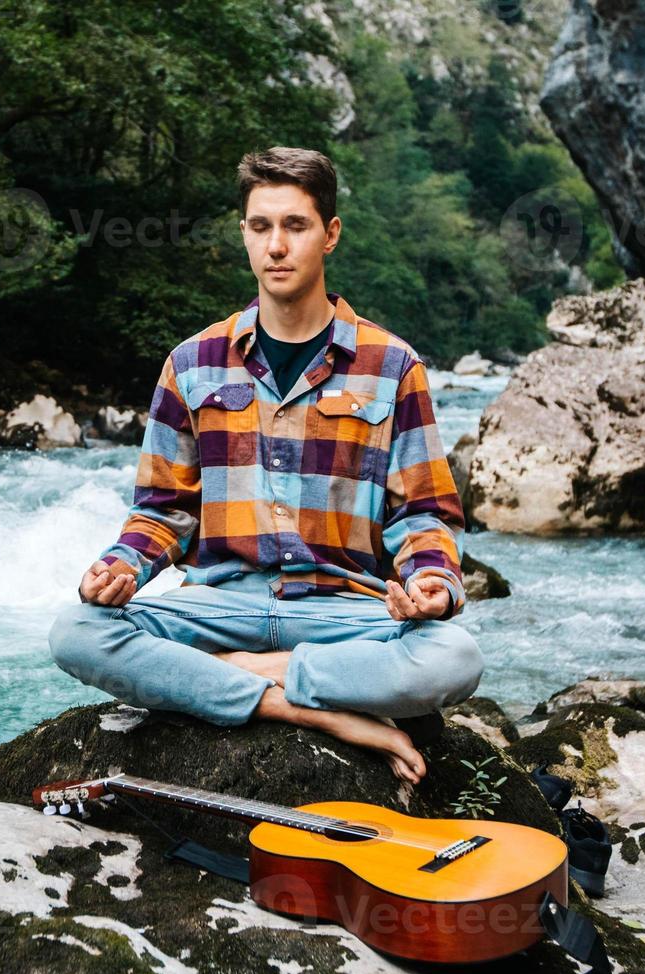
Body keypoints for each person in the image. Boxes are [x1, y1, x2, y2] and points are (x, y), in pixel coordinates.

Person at [48, 146, 483, 785]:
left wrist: (432, 586)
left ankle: (231, 677)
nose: (276, 245)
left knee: (454, 655)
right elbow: (163, 511)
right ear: (245, 235)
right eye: (261, 227)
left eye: (295, 226)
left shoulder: (392, 366)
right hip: (222, 603)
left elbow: (422, 514)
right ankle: (311, 710)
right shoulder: (192, 364)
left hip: (344, 610)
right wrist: (120, 567)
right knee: (77, 630)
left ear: (329, 235)